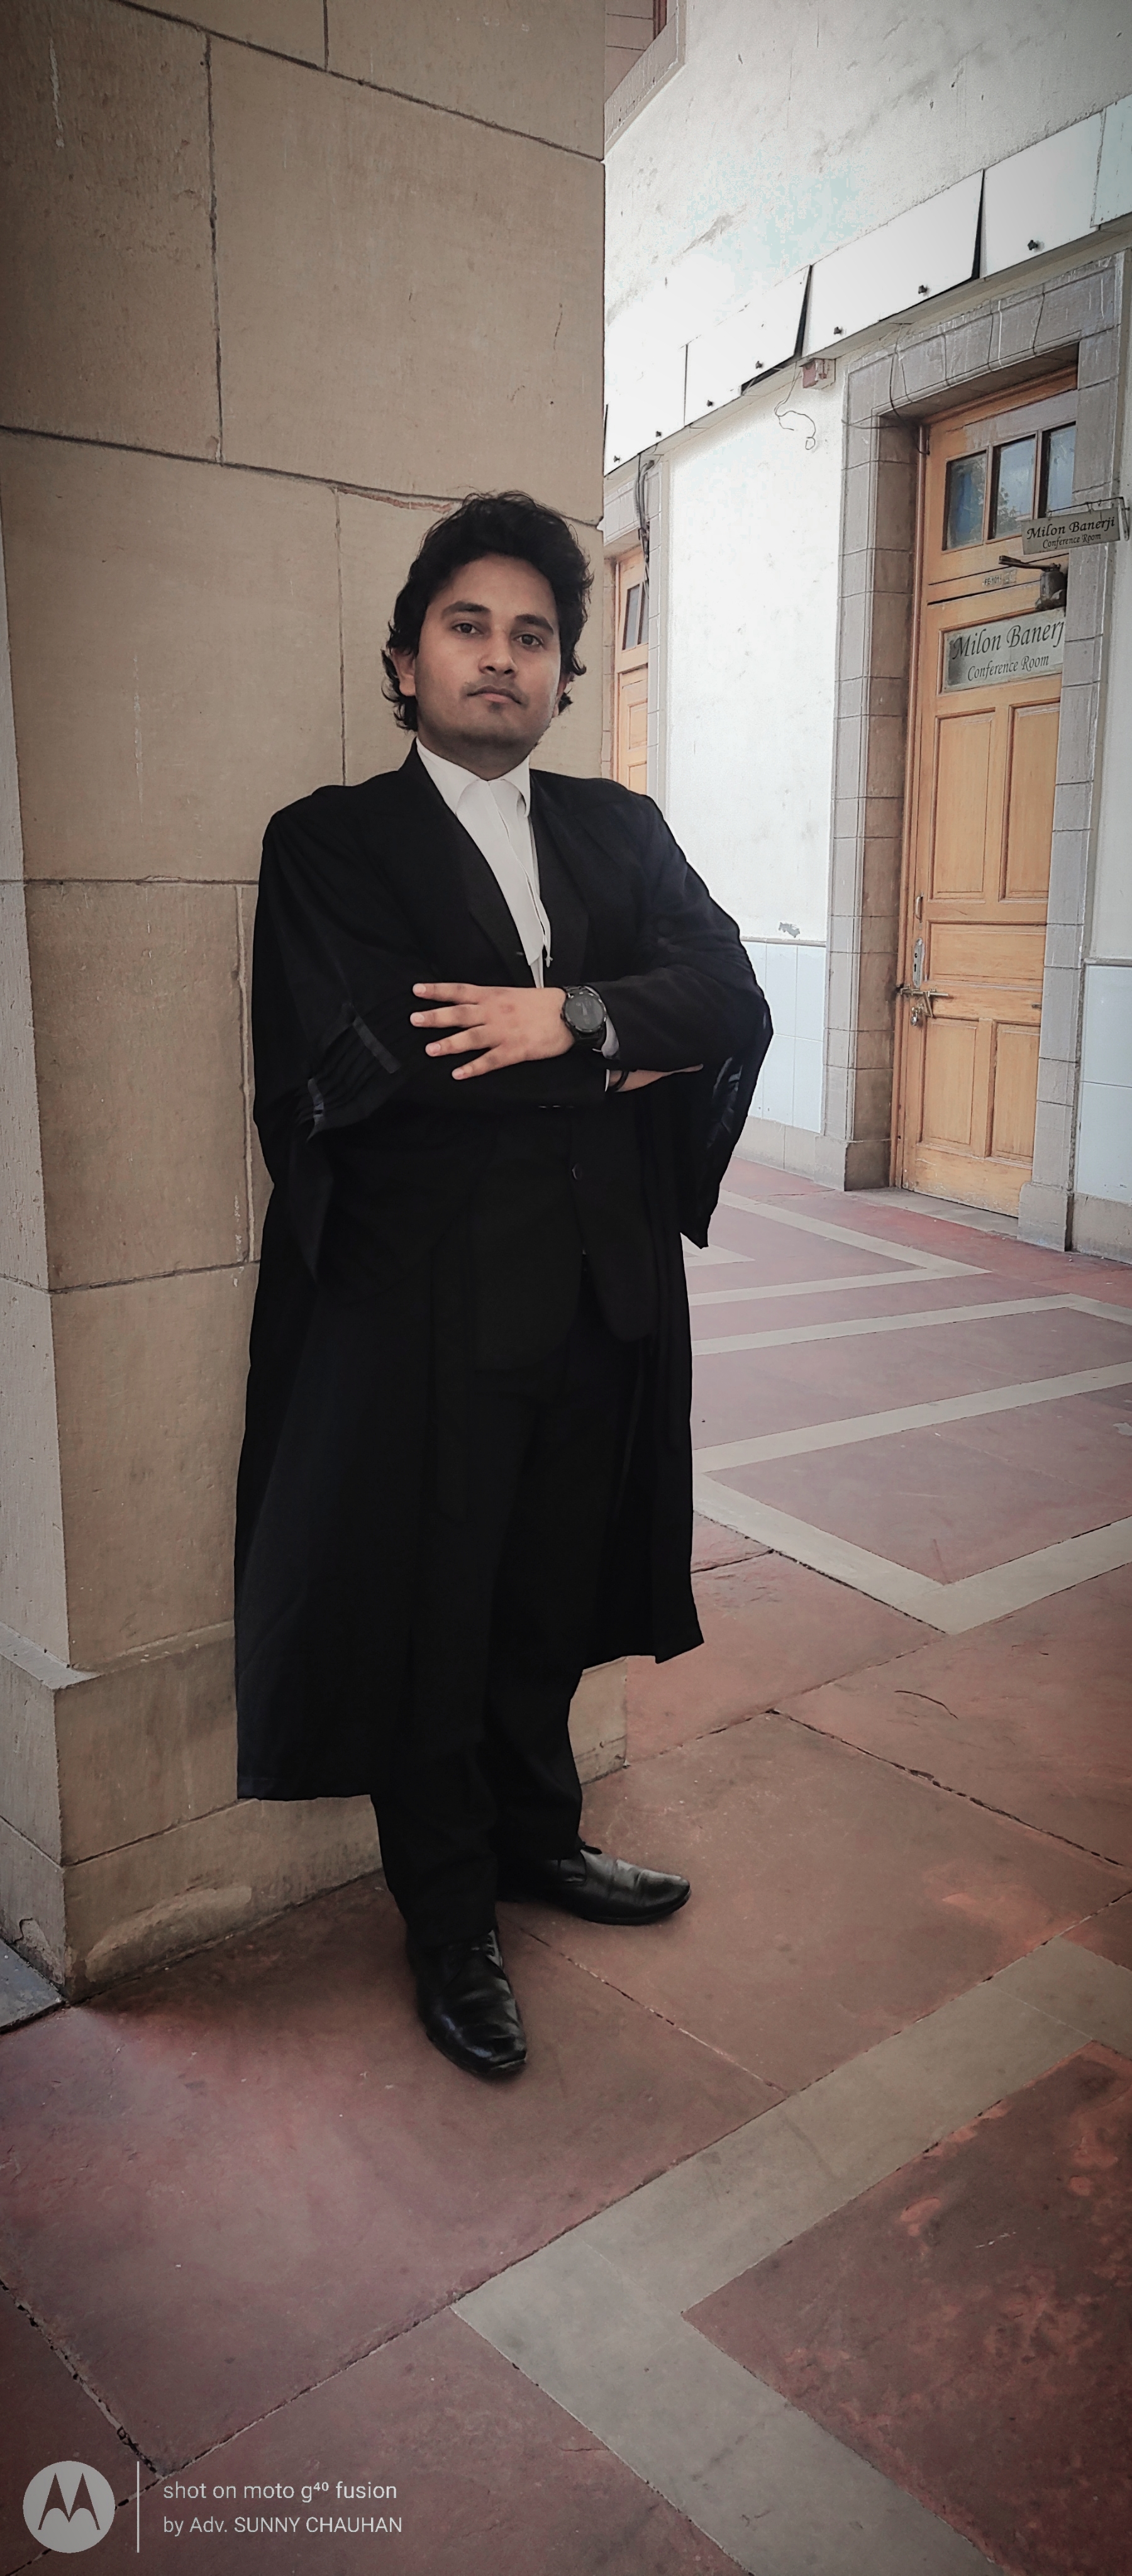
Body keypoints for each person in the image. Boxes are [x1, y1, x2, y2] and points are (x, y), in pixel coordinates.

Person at [235, 492, 770, 2080]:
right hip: (429, 1315)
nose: (501, 656)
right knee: (434, 1611)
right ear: (406, 662)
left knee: (548, 1593)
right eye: (466, 626)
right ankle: (450, 1914)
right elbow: (382, 1063)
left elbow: (728, 991)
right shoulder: (330, 843)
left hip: (605, 1297)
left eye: (533, 635)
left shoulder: (620, 829)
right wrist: (619, 1041)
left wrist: (568, 1017)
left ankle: (539, 1836)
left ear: (563, 676)